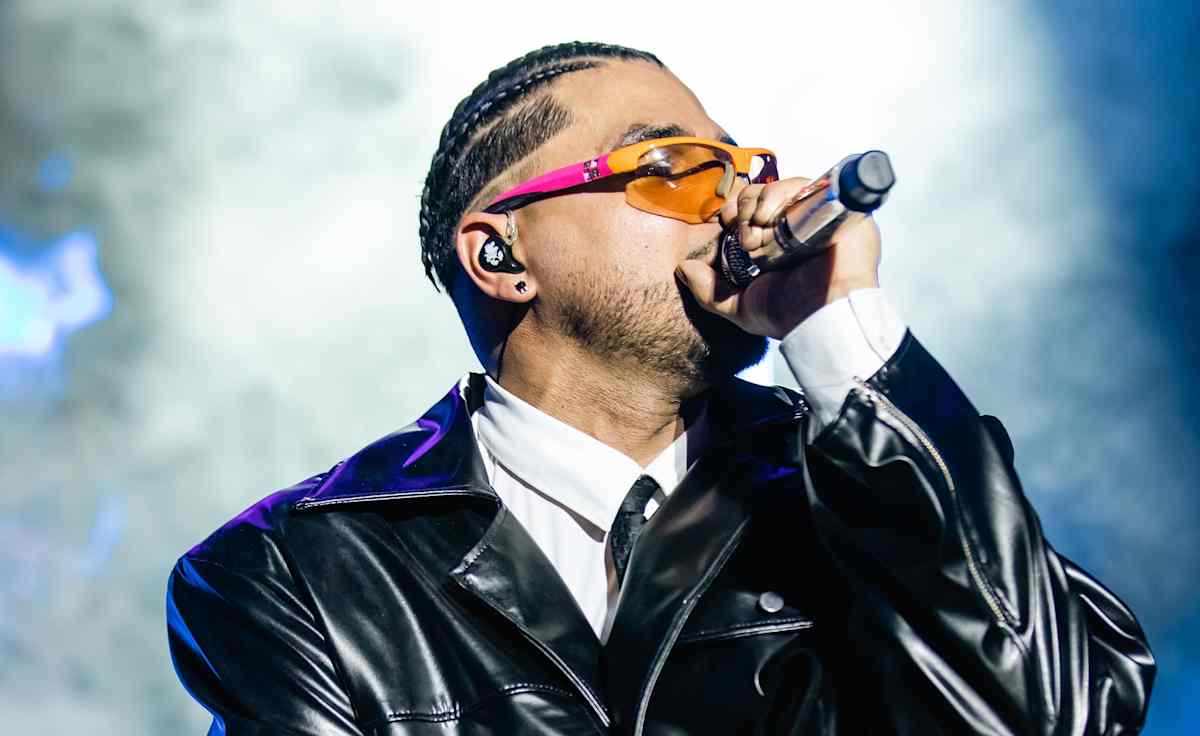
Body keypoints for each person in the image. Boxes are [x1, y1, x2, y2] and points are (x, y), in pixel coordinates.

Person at [165, 42, 1155, 735]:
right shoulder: (297, 570)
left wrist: (840, 329)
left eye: (743, 167)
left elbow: (1060, 715)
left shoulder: (878, 480)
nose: (736, 200)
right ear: (502, 254)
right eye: (676, 165)